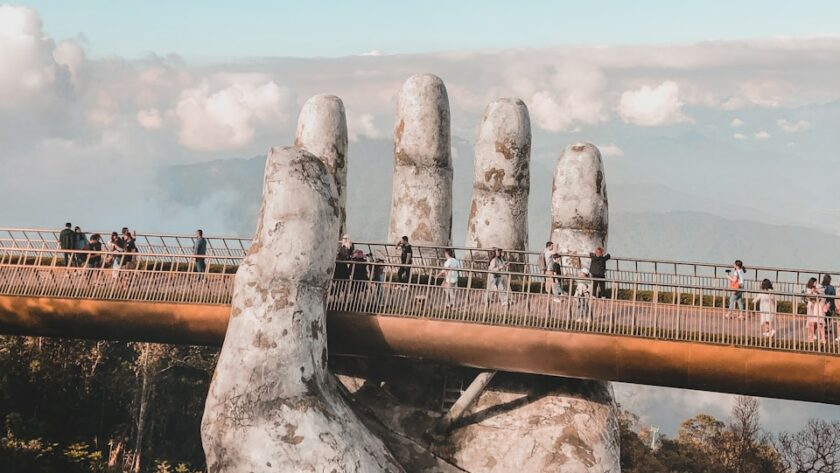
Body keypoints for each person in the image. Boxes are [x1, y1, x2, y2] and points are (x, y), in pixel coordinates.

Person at [821, 275, 837, 342]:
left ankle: (823, 333)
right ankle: (826, 329)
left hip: (822, 305)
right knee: (828, 318)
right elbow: (833, 297)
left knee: (822, 319)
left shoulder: (821, 287)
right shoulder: (831, 288)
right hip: (829, 306)